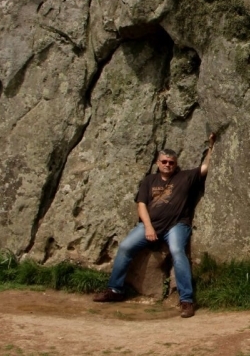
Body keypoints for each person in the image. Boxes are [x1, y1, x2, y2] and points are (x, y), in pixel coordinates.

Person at [93, 132, 217, 318]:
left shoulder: (185, 177)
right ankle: (115, 290)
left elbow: (206, 167)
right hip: (150, 225)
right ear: (158, 163)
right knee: (126, 246)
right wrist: (149, 227)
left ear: (176, 164)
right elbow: (141, 204)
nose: (167, 165)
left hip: (177, 225)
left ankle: (186, 300)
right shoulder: (149, 181)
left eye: (171, 162)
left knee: (177, 251)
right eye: (164, 161)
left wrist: (212, 147)